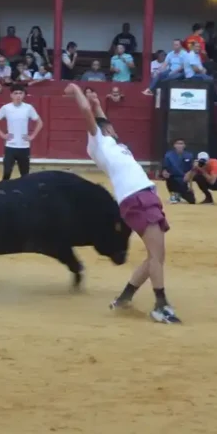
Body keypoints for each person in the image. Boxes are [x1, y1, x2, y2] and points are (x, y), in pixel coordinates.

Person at [66, 83, 180, 324]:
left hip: (143, 195)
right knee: (156, 256)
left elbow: (99, 116)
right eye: (108, 127)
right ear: (101, 130)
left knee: (155, 256)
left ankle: (123, 300)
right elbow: (88, 114)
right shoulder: (98, 142)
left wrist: (98, 103)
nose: (113, 129)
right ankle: (161, 304)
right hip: (137, 197)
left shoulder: (112, 144)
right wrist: (77, 91)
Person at [0, 84, 43, 181]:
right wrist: (2, 135)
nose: (18, 95)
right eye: (16, 93)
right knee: (6, 173)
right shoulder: (6, 108)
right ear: (11, 95)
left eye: (20, 93)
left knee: (25, 174)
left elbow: (40, 122)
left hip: (24, 146)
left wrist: (32, 136)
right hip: (10, 146)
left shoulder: (28, 108)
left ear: (24, 95)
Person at [160, 138, 196, 204]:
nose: (179, 145)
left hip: (183, 180)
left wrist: (191, 186)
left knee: (192, 200)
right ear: (174, 145)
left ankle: (179, 194)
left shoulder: (189, 156)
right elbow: (165, 167)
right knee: (170, 179)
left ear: (184, 146)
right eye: (178, 144)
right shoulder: (168, 155)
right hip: (173, 178)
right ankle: (174, 194)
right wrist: (164, 172)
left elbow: (193, 169)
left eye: (181, 144)